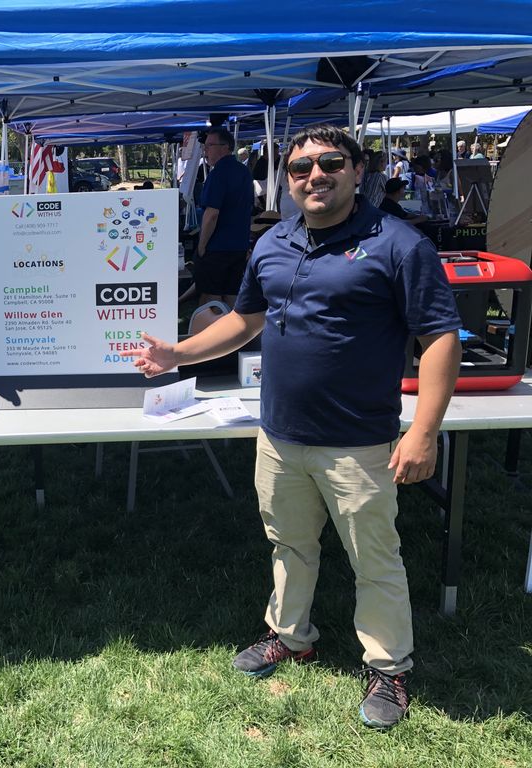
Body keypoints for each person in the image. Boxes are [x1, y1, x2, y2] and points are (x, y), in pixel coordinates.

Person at [123, 124, 462, 730]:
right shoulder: (275, 241)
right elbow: (246, 318)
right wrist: (180, 353)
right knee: (290, 543)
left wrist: (424, 431)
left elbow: (439, 336)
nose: (315, 175)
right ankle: (291, 634)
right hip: (279, 434)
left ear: (358, 171)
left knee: (375, 559)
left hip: (360, 440)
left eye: (331, 163)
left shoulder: (399, 245)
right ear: (287, 179)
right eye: (301, 167)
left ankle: (389, 667)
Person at [197, 127, 254, 306]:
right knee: (232, 294)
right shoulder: (243, 171)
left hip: (217, 246)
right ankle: (240, 333)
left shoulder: (218, 173)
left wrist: (202, 245)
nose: (205, 151)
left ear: (225, 147)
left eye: (210, 146)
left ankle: (217, 332)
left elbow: (211, 214)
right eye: (205, 146)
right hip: (238, 245)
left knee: (212, 298)